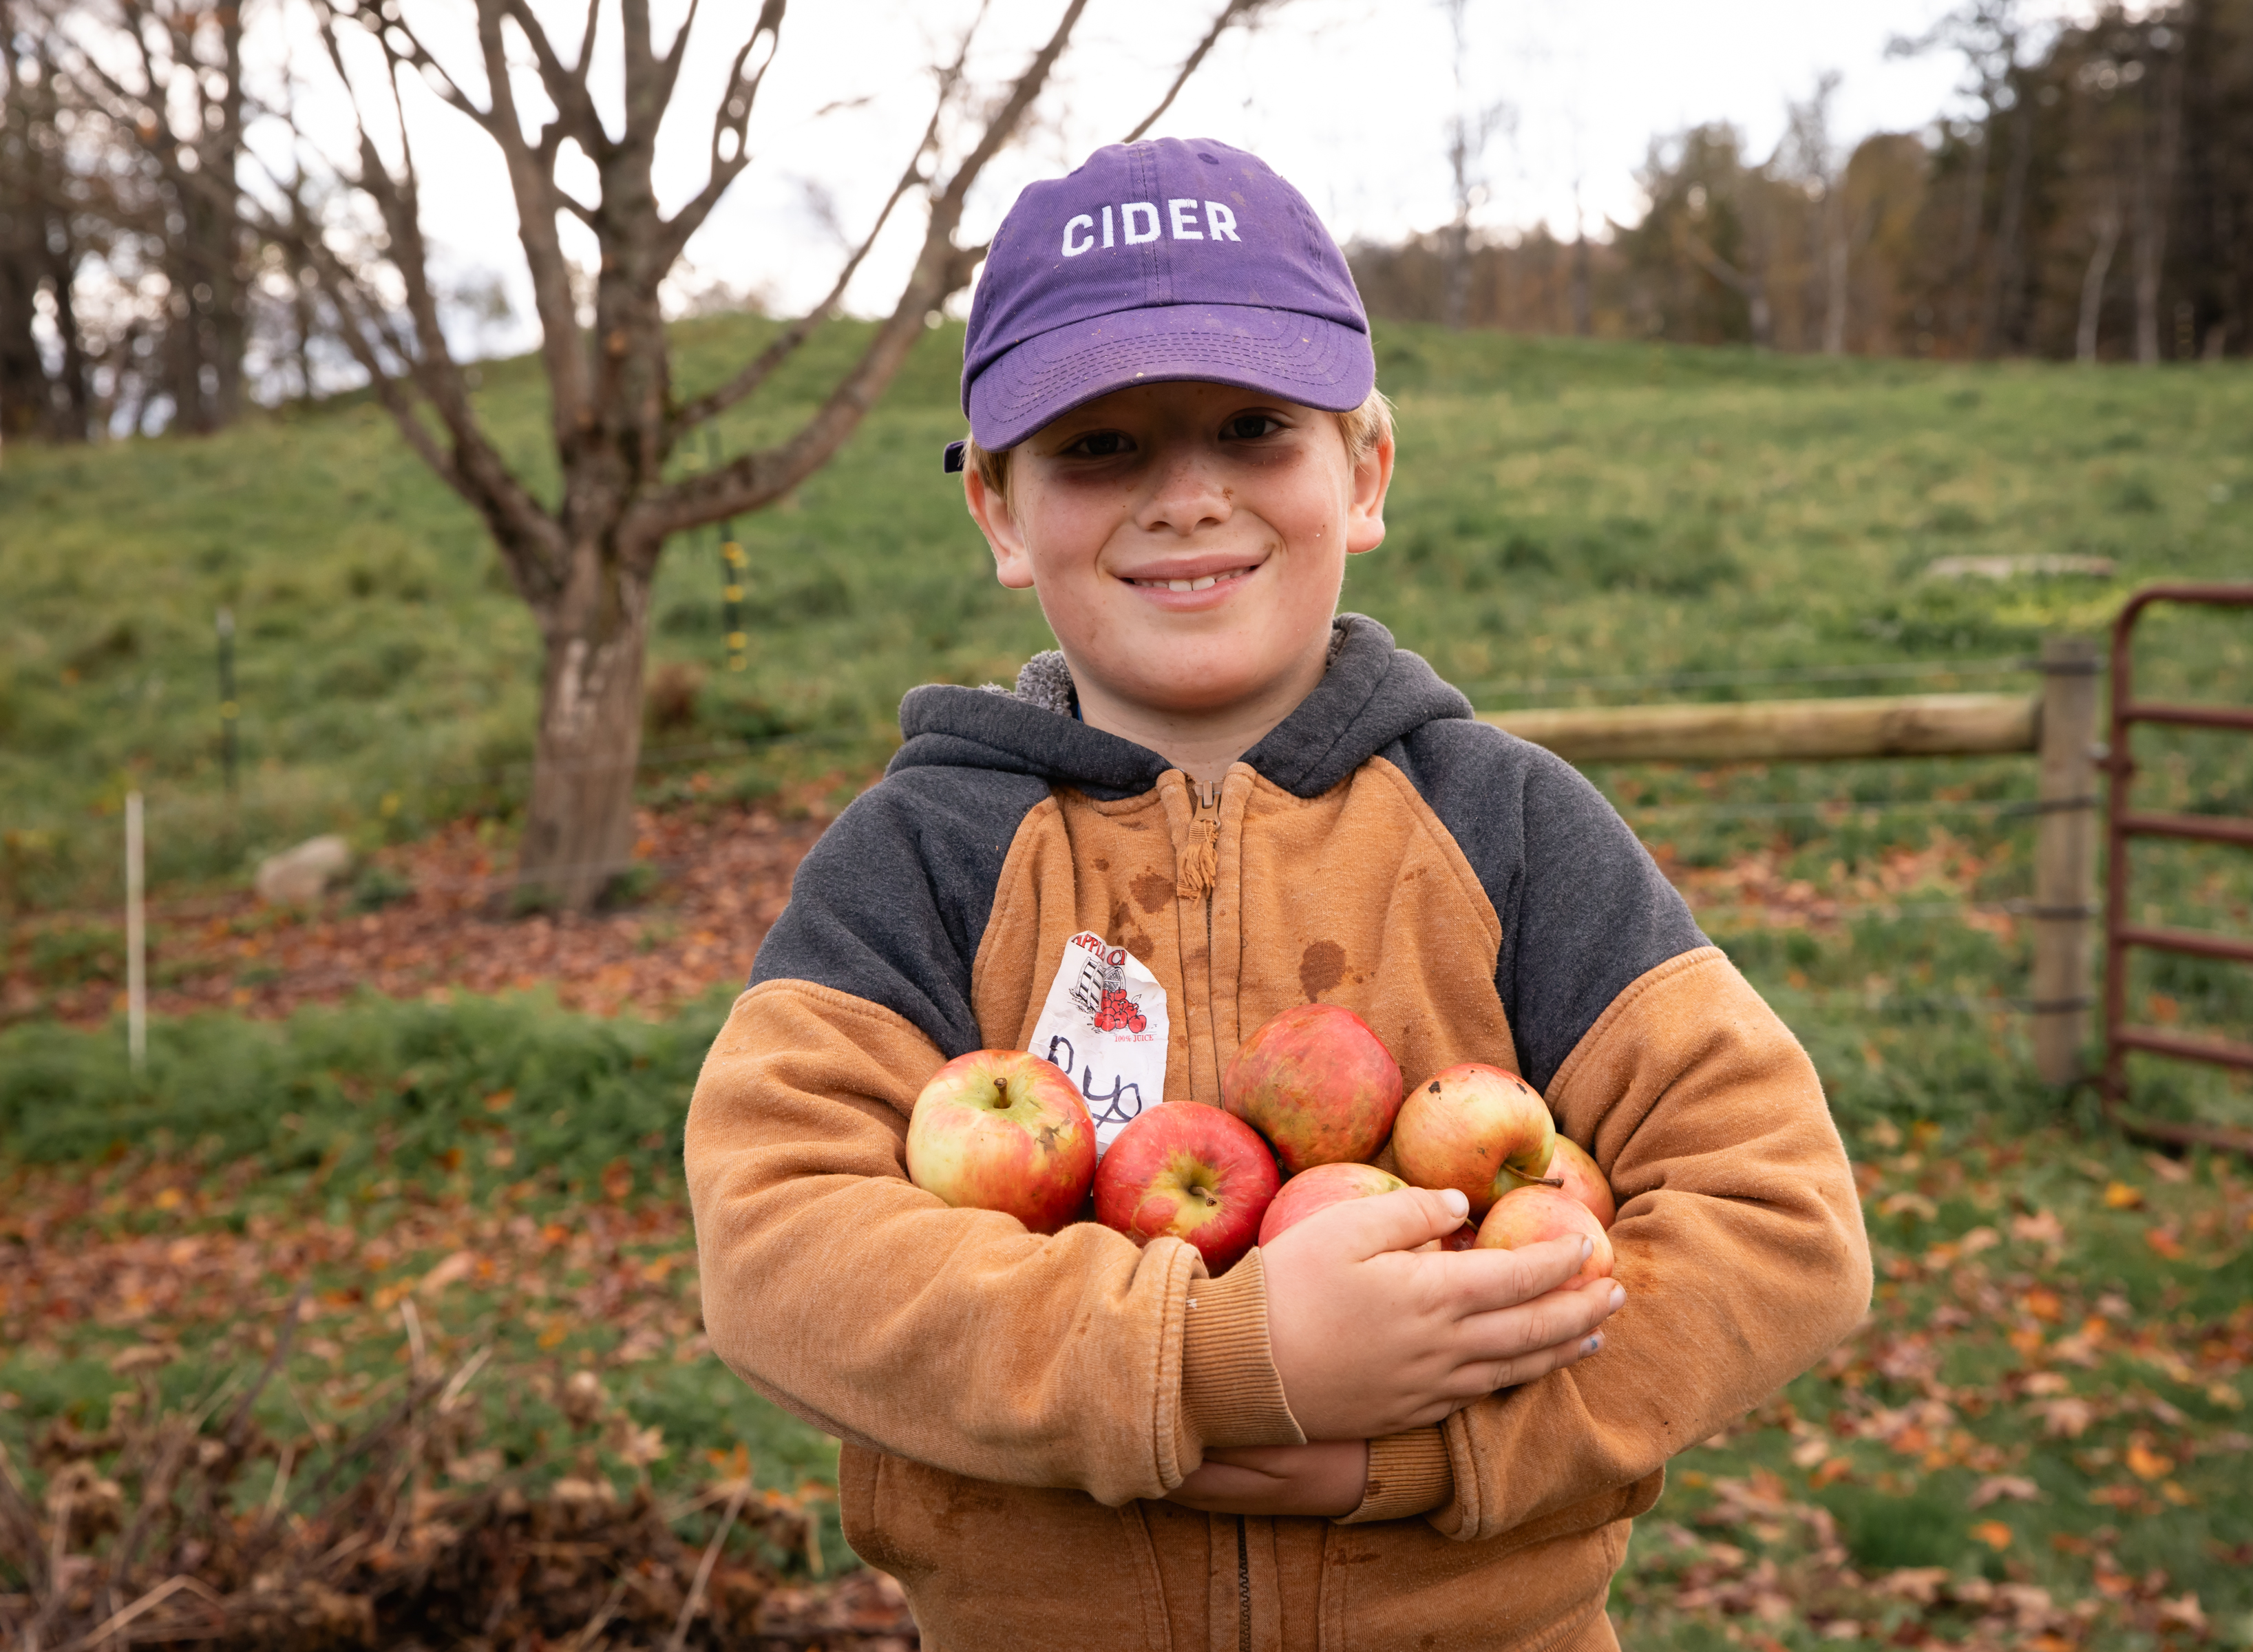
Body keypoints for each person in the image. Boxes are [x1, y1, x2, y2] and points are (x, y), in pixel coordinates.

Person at [684, 136, 1871, 1652]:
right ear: (995, 509)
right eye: (1099, 447)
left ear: (1363, 473)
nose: (1190, 497)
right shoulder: (925, 854)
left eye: (1254, 428)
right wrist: (1218, 1361)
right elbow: (779, 1245)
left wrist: (1427, 1443)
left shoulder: (1506, 829)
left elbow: (1782, 1218)